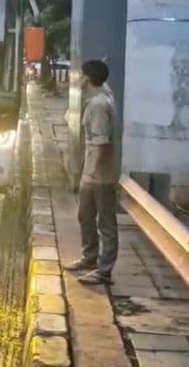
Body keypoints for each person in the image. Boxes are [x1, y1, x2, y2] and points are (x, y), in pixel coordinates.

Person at [65, 60, 118, 285]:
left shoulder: (98, 105)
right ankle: (89, 258)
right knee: (85, 216)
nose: (77, 78)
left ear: (87, 78)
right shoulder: (103, 96)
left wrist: (91, 173)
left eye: (81, 74)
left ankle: (104, 271)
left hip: (99, 176)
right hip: (92, 171)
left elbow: (101, 143)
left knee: (106, 224)